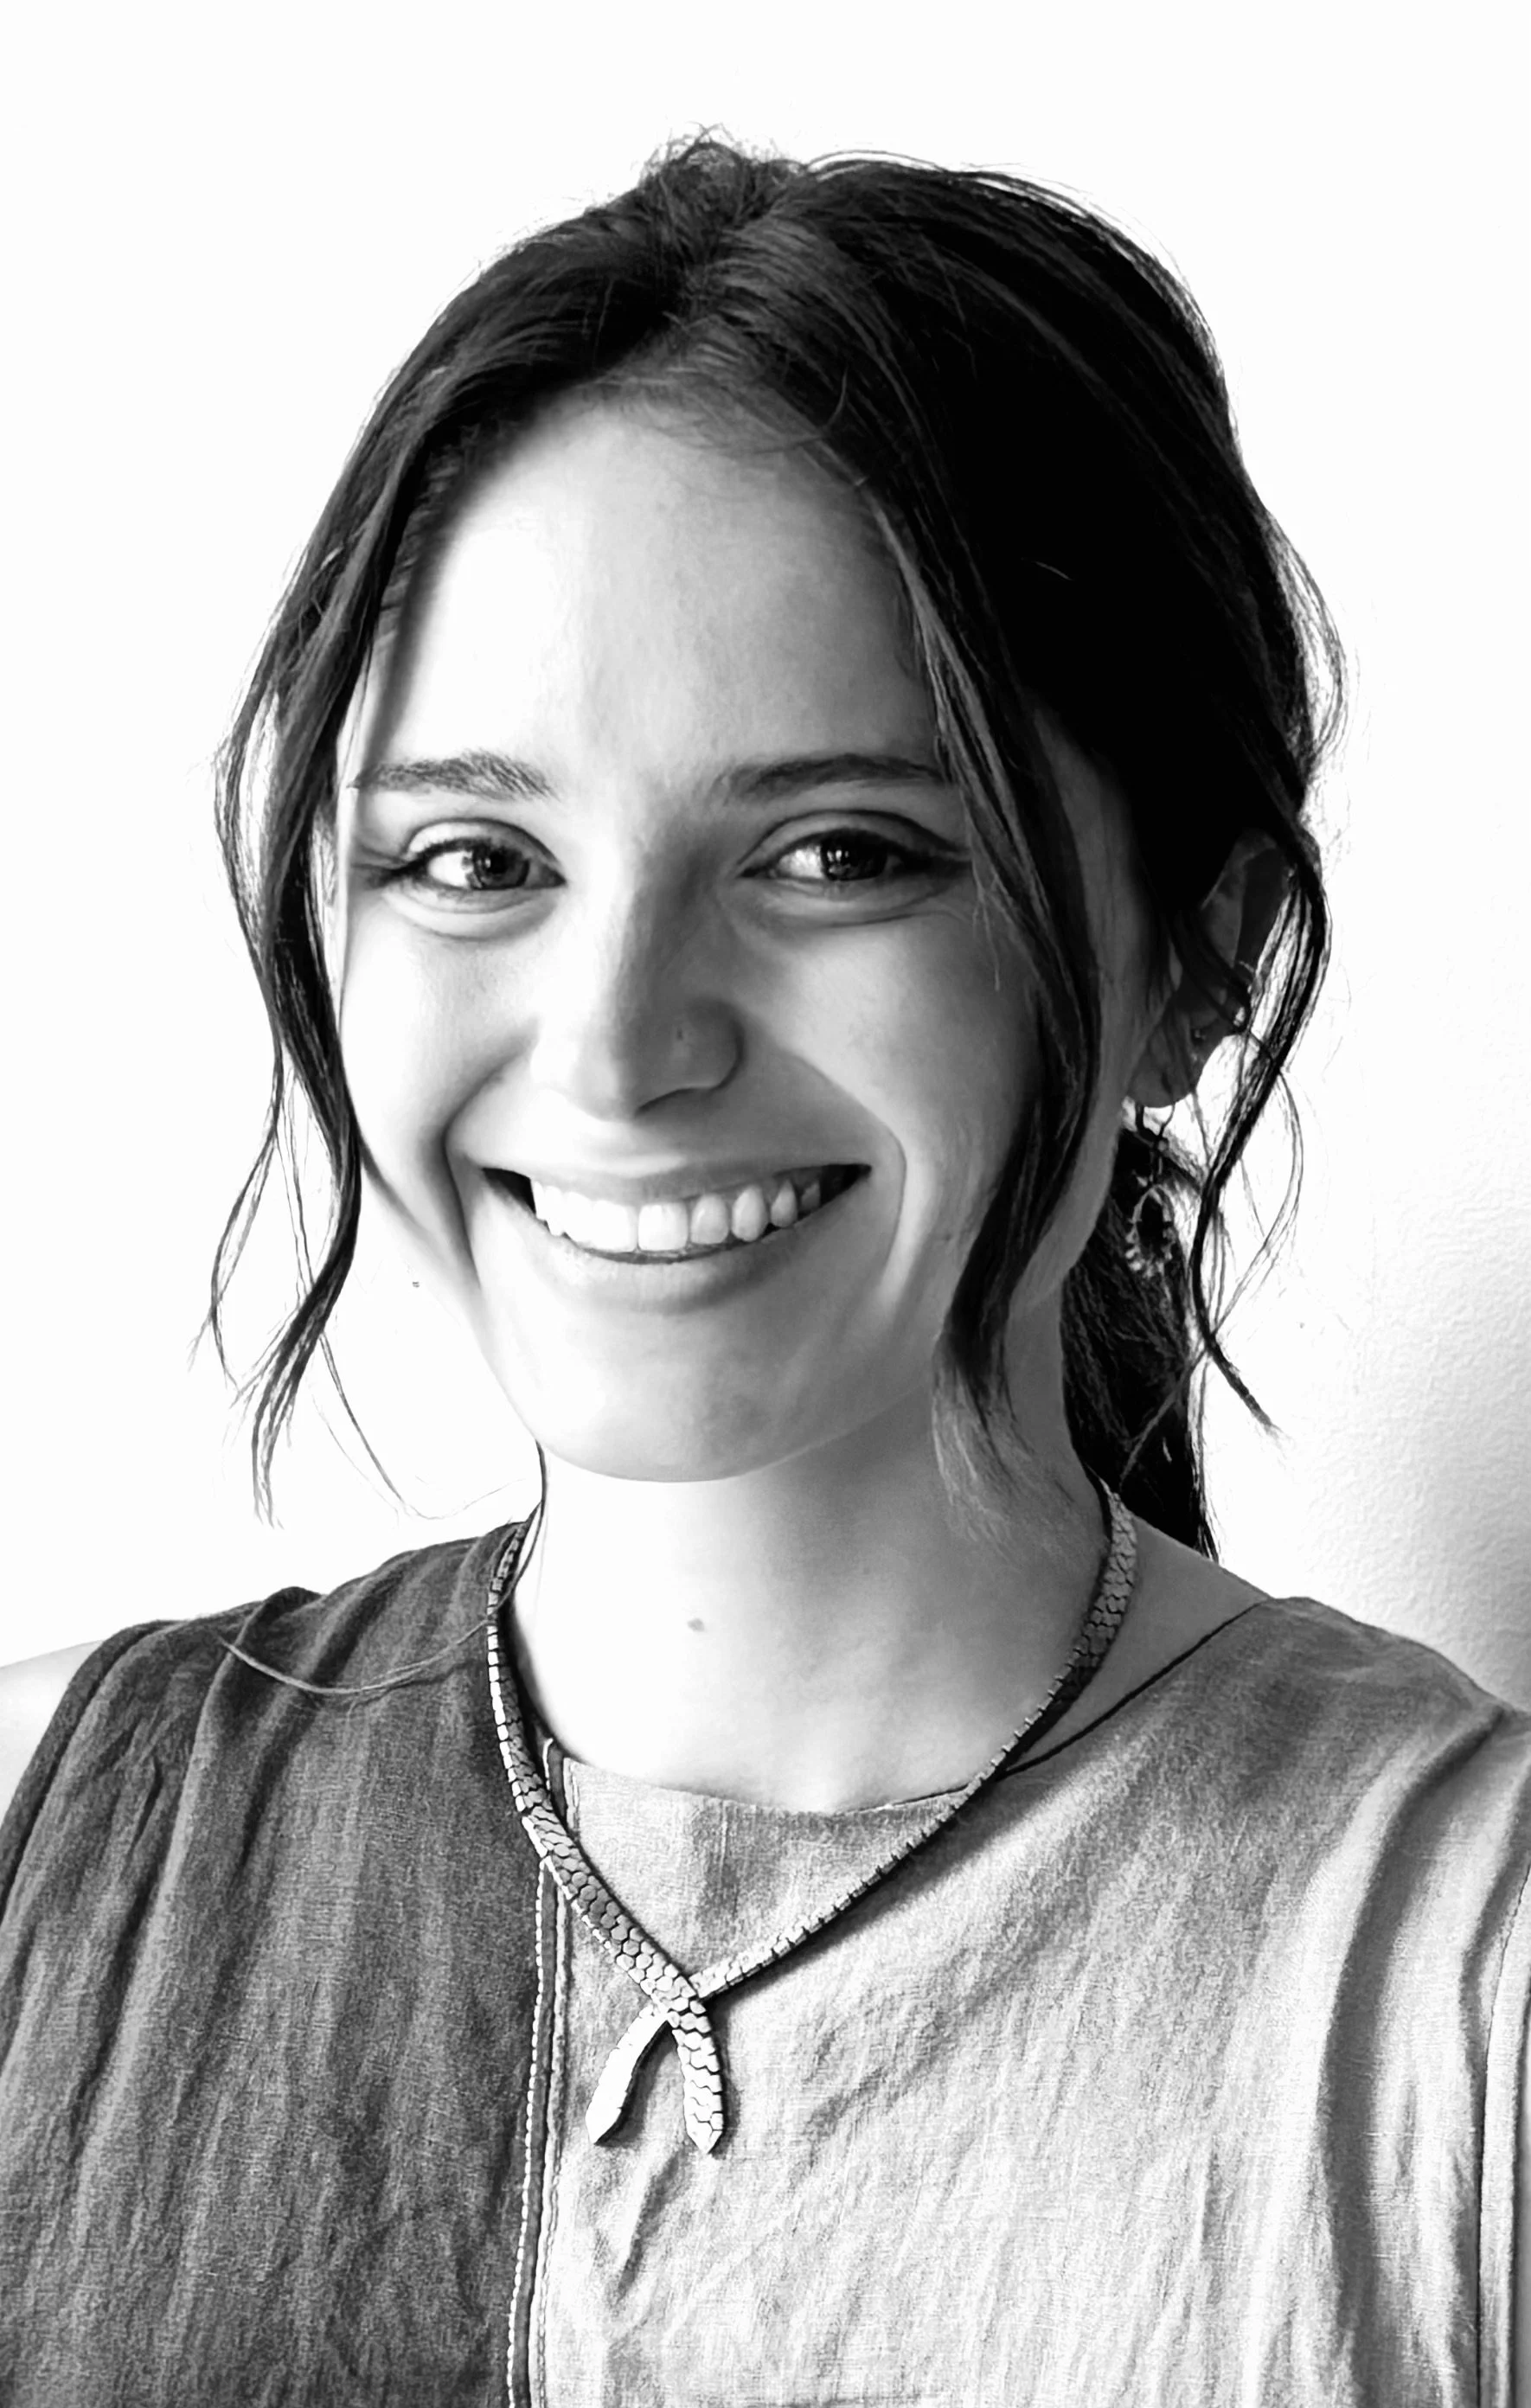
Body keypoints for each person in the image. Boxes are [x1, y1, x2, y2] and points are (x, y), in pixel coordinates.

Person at [0, 132, 1526, 2405]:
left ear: (1203, 953)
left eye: (837, 853)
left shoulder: (1463, 2003)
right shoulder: (40, 1851)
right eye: (475, 857)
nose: (619, 1049)